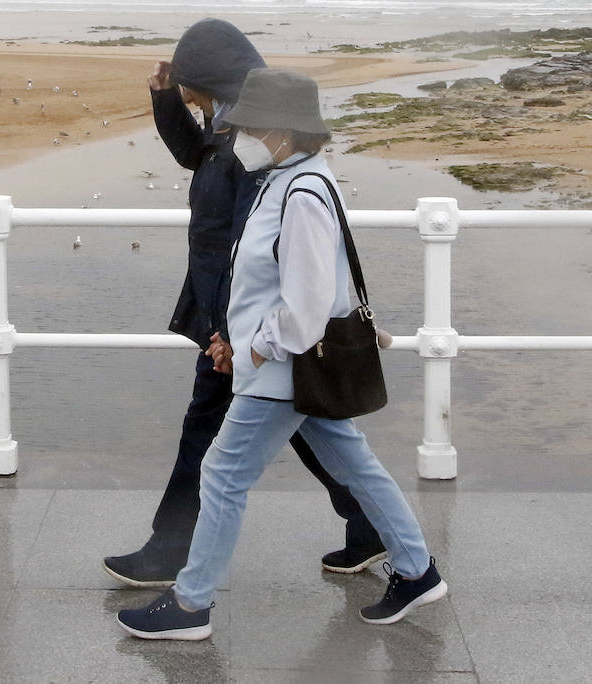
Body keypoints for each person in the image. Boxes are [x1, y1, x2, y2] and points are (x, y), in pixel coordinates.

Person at [117, 67, 447, 641]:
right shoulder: (286, 179)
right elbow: (269, 285)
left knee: (221, 474)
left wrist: (259, 349)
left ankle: (191, 604)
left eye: (253, 125)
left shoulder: (303, 192)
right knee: (357, 467)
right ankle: (417, 573)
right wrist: (235, 341)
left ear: (283, 131)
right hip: (289, 365)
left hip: (286, 369)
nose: (240, 134)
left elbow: (310, 302)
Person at [103, 19, 382, 590]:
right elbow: (193, 156)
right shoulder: (230, 128)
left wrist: (232, 332)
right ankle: (371, 526)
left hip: (238, 320)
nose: (186, 94)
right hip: (232, 315)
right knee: (311, 420)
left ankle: (171, 552)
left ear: (210, 77)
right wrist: (163, 99)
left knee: (206, 428)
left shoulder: (249, 142)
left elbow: (248, 243)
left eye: (188, 85)